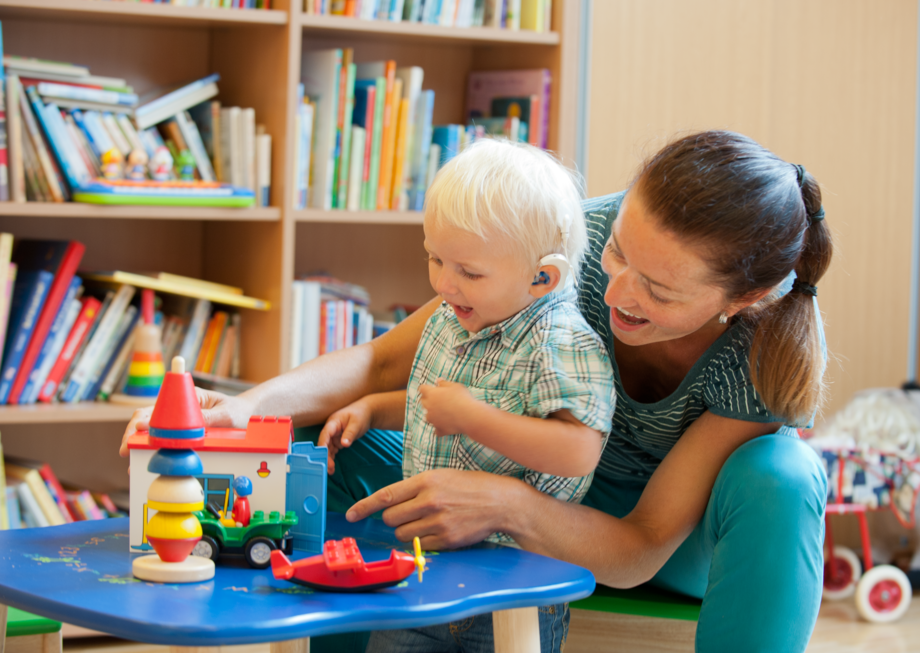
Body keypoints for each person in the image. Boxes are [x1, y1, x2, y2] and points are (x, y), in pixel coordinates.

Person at [121, 130, 831, 653]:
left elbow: (640, 544)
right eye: (618, 251)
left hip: (661, 535)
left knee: (783, 473)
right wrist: (244, 408)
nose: (615, 290)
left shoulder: (764, 352)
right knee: (325, 441)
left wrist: (510, 504)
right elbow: (381, 365)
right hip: (519, 470)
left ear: (747, 298)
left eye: (659, 289)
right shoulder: (567, 245)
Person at [333, 139, 616, 652]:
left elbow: (578, 451)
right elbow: (436, 407)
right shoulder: (453, 317)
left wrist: (471, 416)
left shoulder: (560, 341)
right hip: (424, 563)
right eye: (435, 258)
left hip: (515, 583)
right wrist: (373, 408)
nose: (444, 283)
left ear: (541, 277)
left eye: (469, 272)